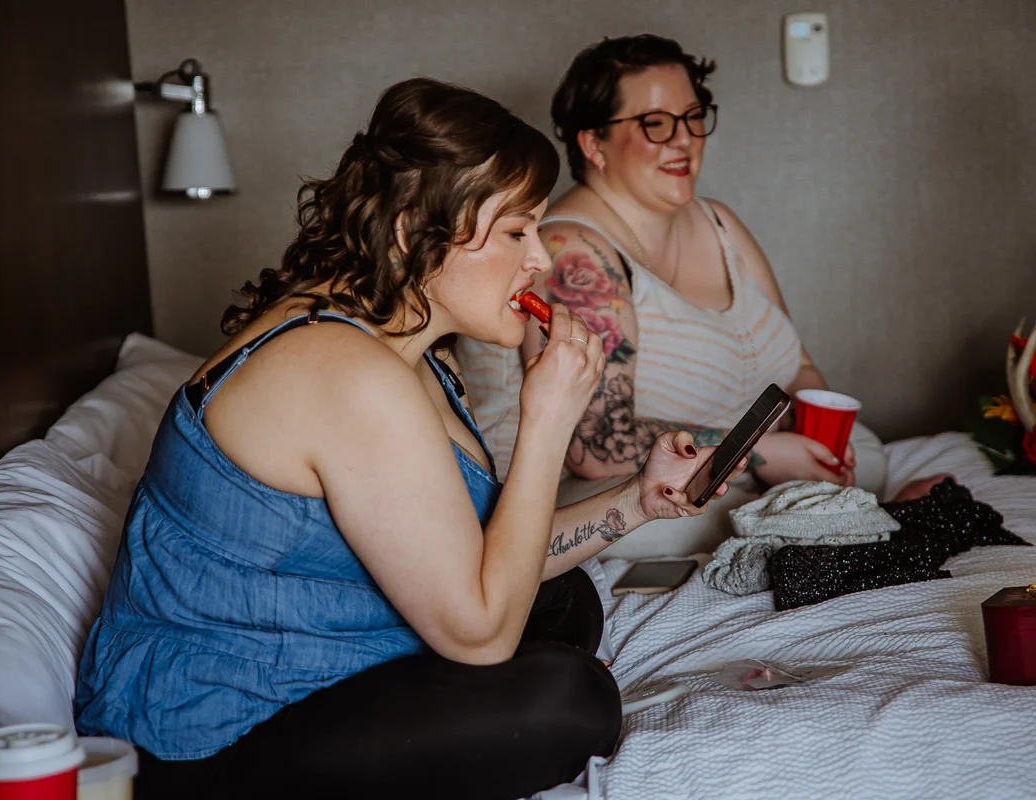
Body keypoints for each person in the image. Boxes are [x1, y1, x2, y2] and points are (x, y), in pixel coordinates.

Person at [74, 77, 741, 800]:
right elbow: (481, 633)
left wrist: (638, 502)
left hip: (319, 655)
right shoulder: (345, 373)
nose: (540, 261)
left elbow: (482, 550)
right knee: (568, 699)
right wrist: (547, 422)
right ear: (410, 235)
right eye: (516, 232)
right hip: (208, 739)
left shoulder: (405, 345)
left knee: (568, 600)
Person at [455, 35, 944, 536]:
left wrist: (824, 438)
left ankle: (833, 510)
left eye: (693, 116)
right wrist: (758, 453)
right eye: (655, 123)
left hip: (739, 466)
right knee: (685, 512)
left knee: (867, 450)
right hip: (610, 492)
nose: (683, 139)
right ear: (594, 143)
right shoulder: (570, 252)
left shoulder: (719, 223)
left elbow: (797, 366)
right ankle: (852, 518)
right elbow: (601, 448)